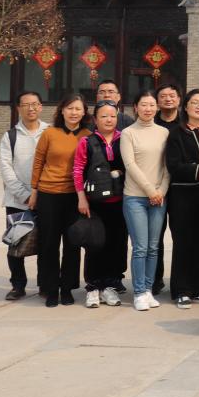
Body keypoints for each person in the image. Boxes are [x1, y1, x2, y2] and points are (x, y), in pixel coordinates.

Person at [29, 93, 90, 307]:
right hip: (48, 194)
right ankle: (51, 288)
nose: (74, 112)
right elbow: (38, 162)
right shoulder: (49, 133)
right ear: (62, 110)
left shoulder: (87, 136)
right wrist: (34, 191)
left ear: (84, 112)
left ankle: (67, 288)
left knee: (72, 243)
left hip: (75, 196)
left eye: (78, 109)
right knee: (49, 243)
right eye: (70, 108)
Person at [165, 89, 199, 309]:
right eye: (195, 102)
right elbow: (173, 165)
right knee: (183, 243)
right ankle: (181, 290)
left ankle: (197, 289)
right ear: (186, 106)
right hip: (182, 194)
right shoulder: (176, 133)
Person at [72, 100, 127, 308]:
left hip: (120, 202)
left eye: (112, 116)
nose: (109, 120)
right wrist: (81, 198)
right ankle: (93, 287)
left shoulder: (124, 139)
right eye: (103, 116)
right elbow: (78, 170)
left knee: (115, 244)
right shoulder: (87, 141)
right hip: (95, 203)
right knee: (95, 244)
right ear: (95, 119)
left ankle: (109, 286)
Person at [121, 91, 170, 311]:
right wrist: (150, 190)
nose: (148, 109)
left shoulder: (164, 132)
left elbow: (167, 166)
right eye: (144, 105)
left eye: (152, 105)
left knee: (153, 247)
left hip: (159, 197)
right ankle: (139, 292)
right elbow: (130, 165)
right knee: (140, 247)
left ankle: (149, 289)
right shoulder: (128, 133)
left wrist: (161, 191)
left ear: (157, 107)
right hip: (135, 198)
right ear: (135, 107)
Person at [0, 90, 48, 301]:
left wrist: (42, 194)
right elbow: (6, 169)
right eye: (26, 104)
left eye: (34, 104)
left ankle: (45, 284)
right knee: (16, 243)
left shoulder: (50, 132)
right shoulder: (10, 136)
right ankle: (18, 285)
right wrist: (26, 196)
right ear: (18, 108)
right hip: (17, 201)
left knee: (46, 243)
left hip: (46, 199)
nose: (31, 108)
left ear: (40, 107)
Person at [152, 82, 182, 293]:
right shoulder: (150, 123)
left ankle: (179, 283)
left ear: (179, 100)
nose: (168, 99)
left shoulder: (186, 124)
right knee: (155, 237)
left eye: (172, 95)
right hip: (155, 189)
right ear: (157, 101)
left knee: (180, 237)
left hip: (181, 188)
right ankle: (155, 280)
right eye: (163, 96)